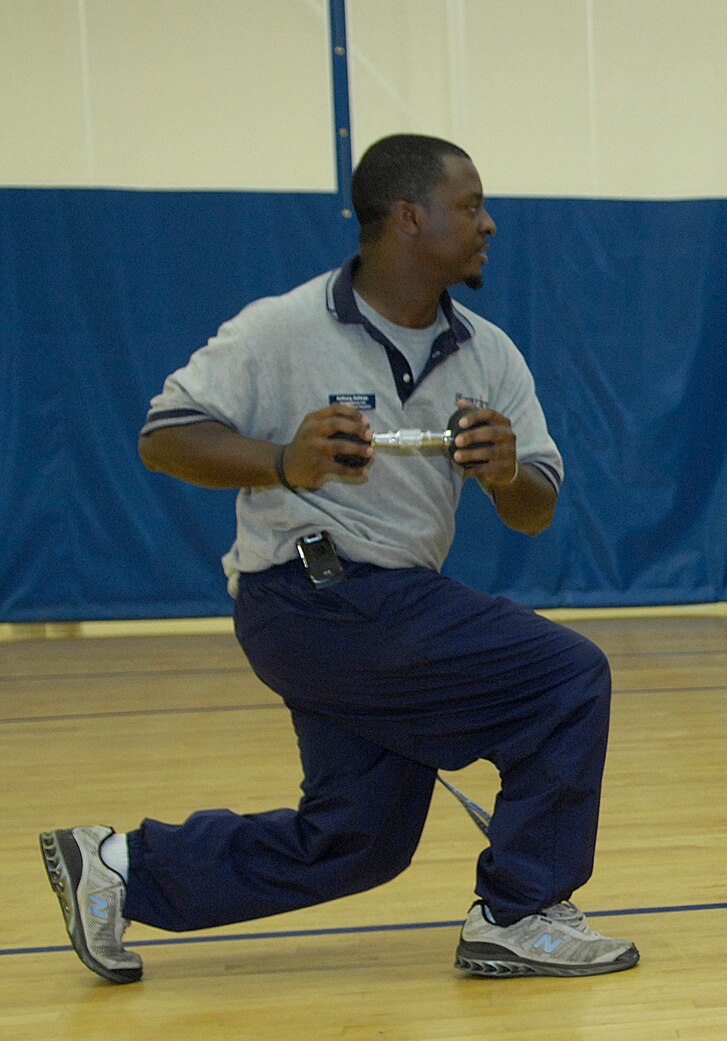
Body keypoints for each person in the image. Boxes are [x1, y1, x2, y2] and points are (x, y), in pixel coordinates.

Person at [37, 134, 637, 981]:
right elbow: (164, 437)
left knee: (359, 840)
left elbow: (536, 503)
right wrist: (281, 459)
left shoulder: (489, 351)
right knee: (566, 676)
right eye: (470, 207)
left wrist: (506, 473)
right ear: (407, 217)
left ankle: (121, 866)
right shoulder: (282, 328)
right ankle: (522, 911)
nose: (488, 224)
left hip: (380, 613)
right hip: (310, 594)